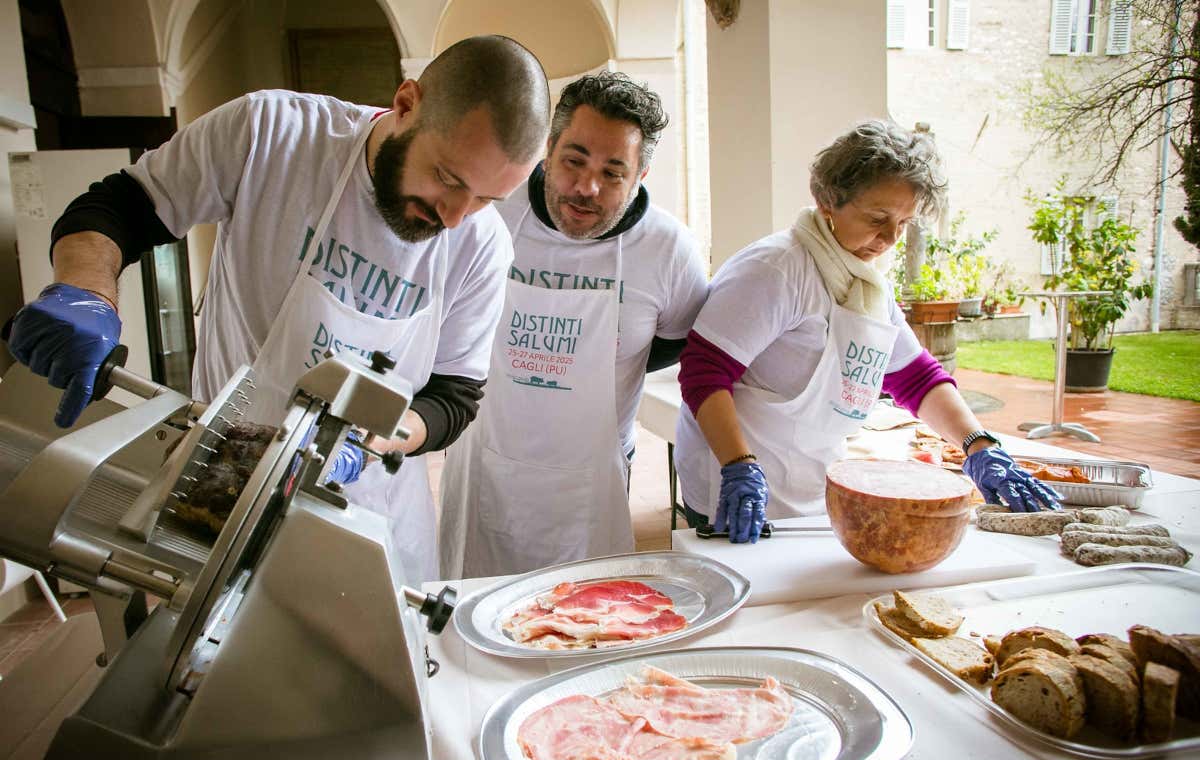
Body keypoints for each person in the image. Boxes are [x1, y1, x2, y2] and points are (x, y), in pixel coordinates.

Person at [4, 35, 551, 584]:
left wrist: (364, 444)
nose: (455, 216)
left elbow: (452, 397)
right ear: (406, 104)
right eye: (448, 179)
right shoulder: (272, 134)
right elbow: (121, 206)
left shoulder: (482, 246)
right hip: (221, 493)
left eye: (486, 199)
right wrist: (86, 291)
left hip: (372, 517)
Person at [673, 120, 1061, 543]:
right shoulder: (776, 270)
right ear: (828, 202)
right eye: (878, 218)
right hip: (735, 482)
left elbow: (915, 377)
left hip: (813, 480)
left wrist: (979, 446)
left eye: (904, 222)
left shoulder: (866, 284)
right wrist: (739, 466)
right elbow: (703, 371)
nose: (891, 237)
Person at [438, 72, 709, 578]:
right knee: (475, 597)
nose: (587, 188)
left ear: (640, 175)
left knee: (587, 608)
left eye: (613, 172)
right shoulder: (490, 213)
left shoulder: (669, 250)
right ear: (548, 150)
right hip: (484, 462)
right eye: (574, 161)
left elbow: (671, 344)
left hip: (591, 477)